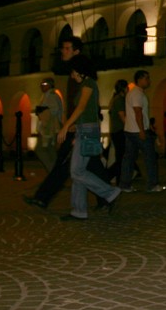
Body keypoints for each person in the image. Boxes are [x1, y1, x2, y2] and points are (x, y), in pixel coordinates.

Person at [24, 36, 110, 209]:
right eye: (62, 48)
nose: (62, 51)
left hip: (78, 127)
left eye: (66, 48)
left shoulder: (82, 78)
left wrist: (68, 127)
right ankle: (105, 197)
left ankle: (43, 197)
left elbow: (83, 105)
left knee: (66, 164)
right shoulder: (73, 75)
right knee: (90, 164)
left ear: (76, 51)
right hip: (76, 126)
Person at [56, 54, 120, 220]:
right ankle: (78, 210)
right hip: (85, 129)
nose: (72, 75)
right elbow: (89, 111)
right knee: (79, 171)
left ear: (80, 71)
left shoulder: (89, 84)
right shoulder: (86, 84)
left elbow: (82, 108)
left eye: (73, 72)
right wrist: (74, 127)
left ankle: (110, 192)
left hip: (88, 131)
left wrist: (65, 126)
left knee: (76, 171)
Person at [118, 70, 165, 193]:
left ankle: (125, 184)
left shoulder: (132, 93)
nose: (149, 81)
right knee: (150, 157)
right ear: (139, 80)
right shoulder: (137, 94)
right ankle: (152, 184)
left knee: (129, 158)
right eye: (146, 78)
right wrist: (142, 130)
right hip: (137, 131)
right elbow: (138, 112)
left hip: (130, 130)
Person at [35, 77, 63, 173]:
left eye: (44, 84)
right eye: (41, 84)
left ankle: (53, 172)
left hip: (49, 127)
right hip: (50, 127)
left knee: (41, 150)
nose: (42, 86)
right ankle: (56, 171)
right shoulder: (47, 95)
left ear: (50, 85)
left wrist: (42, 111)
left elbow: (54, 111)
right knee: (50, 150)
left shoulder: (51, 96)